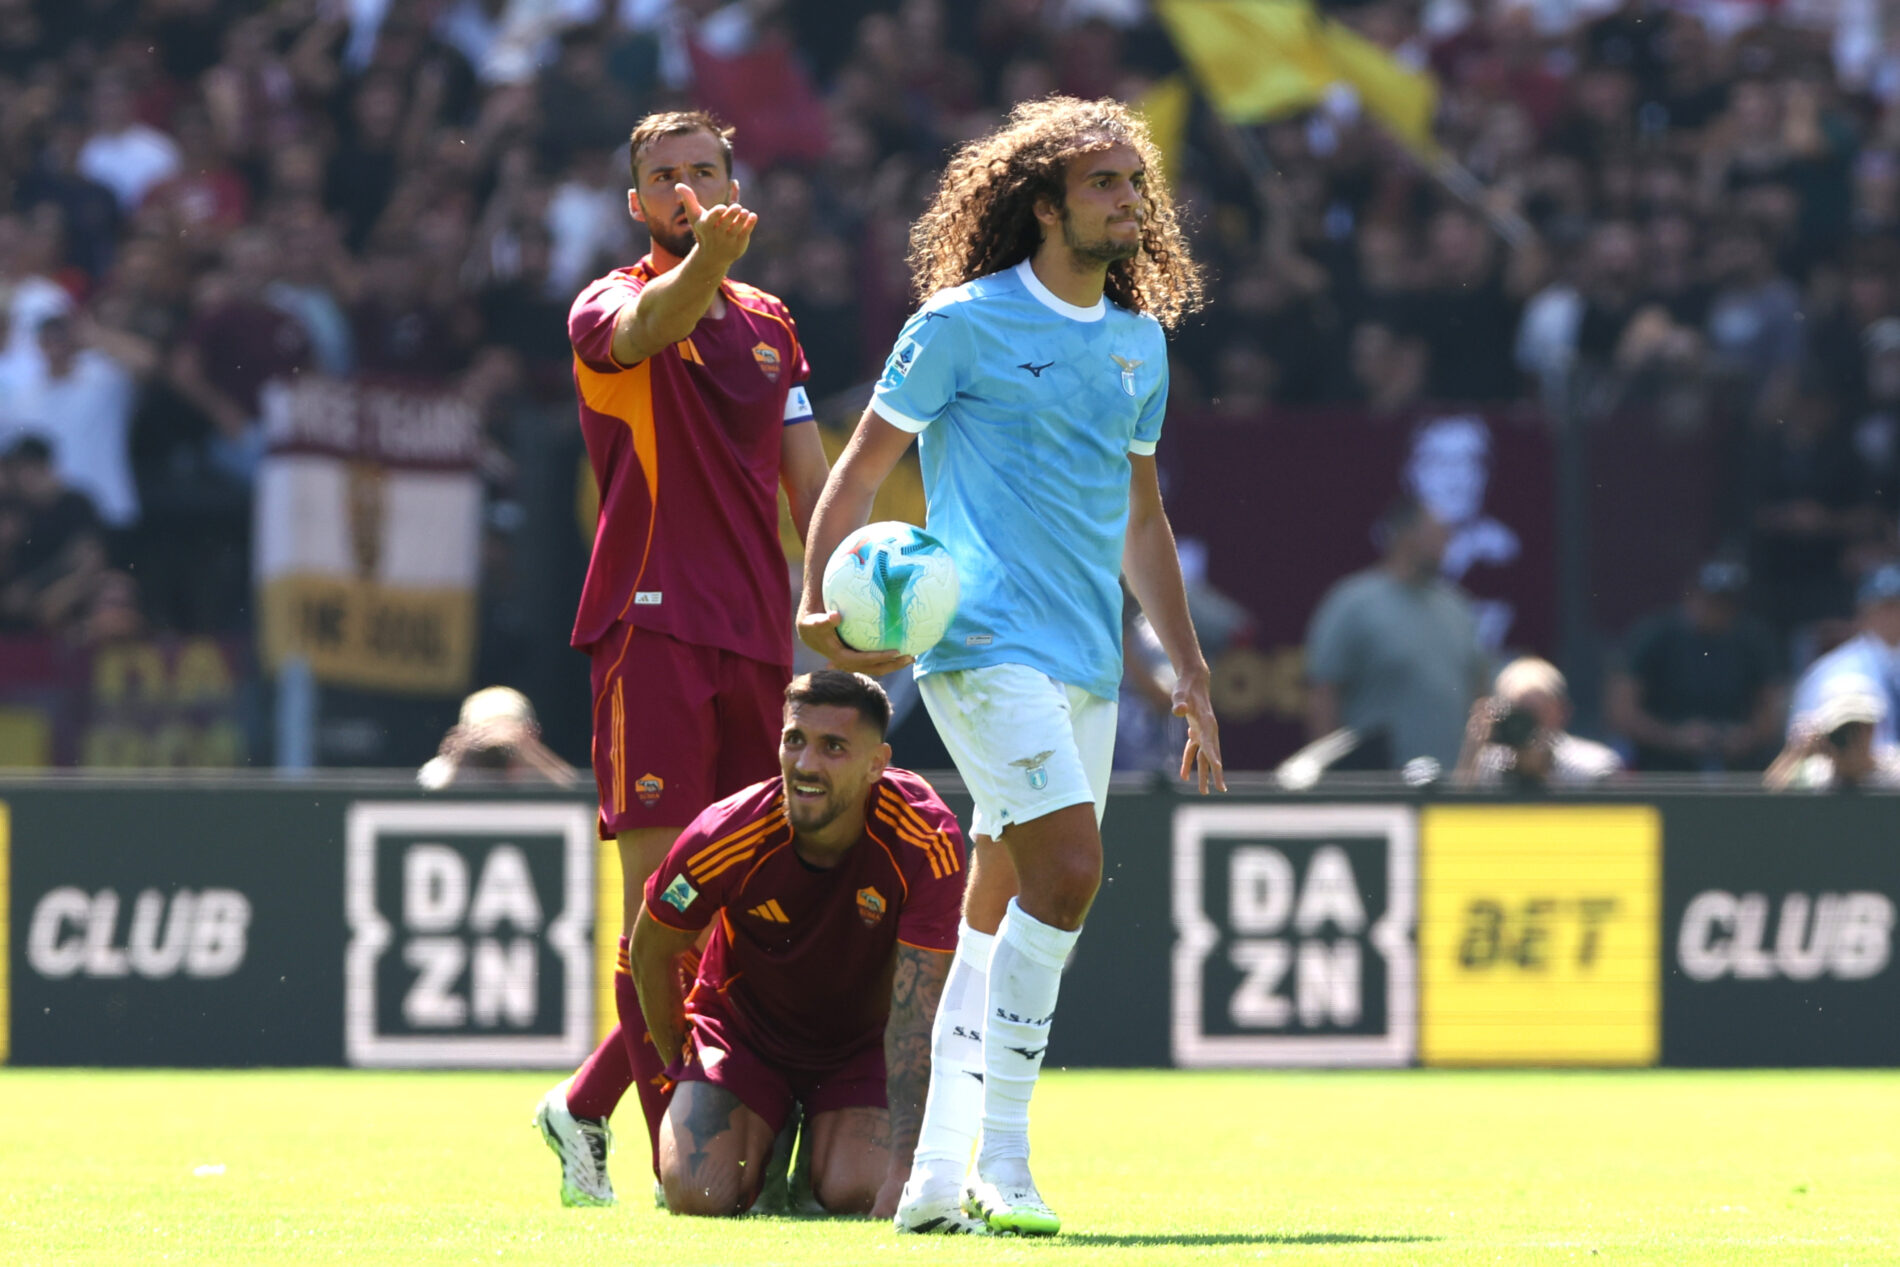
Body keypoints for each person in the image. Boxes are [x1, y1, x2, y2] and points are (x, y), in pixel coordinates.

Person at [795, 97, 1224, 1237]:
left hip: (1086, 656)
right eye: (1104, 182)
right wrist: (817, 594)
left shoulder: (1139, 344)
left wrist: (1185, 666)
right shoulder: (958, 325)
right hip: (979, 644)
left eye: (1136, 182)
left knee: (996, 911)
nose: (1129, 200)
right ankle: (1008, 1160)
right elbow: (859, 467)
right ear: (1043, 204)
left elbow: (1142, 519)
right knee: (1070, 872)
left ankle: (936, 1178)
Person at [532, 109, 831, 1209]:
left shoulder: (772, 324)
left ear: (735, 184)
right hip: (648, 626)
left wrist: (836, 598)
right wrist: (704, 258)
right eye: (665, 176)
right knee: (663, 906)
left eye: (705, 171)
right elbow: (653, 325)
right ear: (636, 202)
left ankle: (583, 1102)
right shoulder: (607, 302)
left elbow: (812, 481)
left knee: (751, 906)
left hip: (758, 634)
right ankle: (680, 1157)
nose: (686, 189)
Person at [634, 670, 962, 1216]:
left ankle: (816, 1157)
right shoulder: (725, 832)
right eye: (795, 740)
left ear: (877, 764)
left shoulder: (926, 838)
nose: (806, 764)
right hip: (744, 1038)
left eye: (833, 747)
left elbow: (917, 1013)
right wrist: (684, 1069)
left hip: (865, 1046)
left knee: (857, 1189)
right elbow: (650, 952)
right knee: (698, 1192)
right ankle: (769, 1124)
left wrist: (905, 1170)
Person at [1304, 495, 1491, 772]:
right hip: (1377, 786)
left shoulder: (1457, 607)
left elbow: (1480, 694)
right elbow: (1323, 695)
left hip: (1450, 785)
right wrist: (1329, 779)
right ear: (1406, 535)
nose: (1447, 541)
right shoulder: (1353, 604)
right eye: (1438, 532)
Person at [1605, 560, 1786, 772]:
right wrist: (1675, 737)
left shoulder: (1753, 640)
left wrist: (1745, 737)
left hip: (1739, 765)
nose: (1716, 609)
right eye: (1709, 600)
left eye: (1725, 603)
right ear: (1691, 595)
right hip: (1659, 764)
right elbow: (1620, 712)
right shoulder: (1655, 636)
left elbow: (1772, 712)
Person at [1455, 656, 1623, 789]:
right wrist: (1473, 748)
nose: (1529, 724)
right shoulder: (1487, 767)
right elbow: (1457, 813)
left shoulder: (1592, 768)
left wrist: (1542, 769)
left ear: (1562, 713)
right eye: (1520, 713)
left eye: (1538, 712)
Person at [1787, 562, 1900, 750]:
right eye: (1885, 607)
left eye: (1897, 606)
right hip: (1847, 768)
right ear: (1863, 612)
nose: (1893, 616)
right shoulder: (1836, 671)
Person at [416, 685, 578, 789]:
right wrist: (455, 762)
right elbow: (421, 795)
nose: (494, 738)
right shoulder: (452, 767)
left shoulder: (537, 773)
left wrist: (530, 756)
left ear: (532, 735)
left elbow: (576, 792)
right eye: (484, 729)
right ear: (464, 733)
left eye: (506, 727)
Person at [1765, 674, 1900, 791]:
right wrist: (1794, 755)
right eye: (1841, 730)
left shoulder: (1893, 773)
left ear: (1871, 729)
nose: (1850, 739)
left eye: (1855, 728)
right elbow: (1771, 796)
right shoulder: (1815, 775)